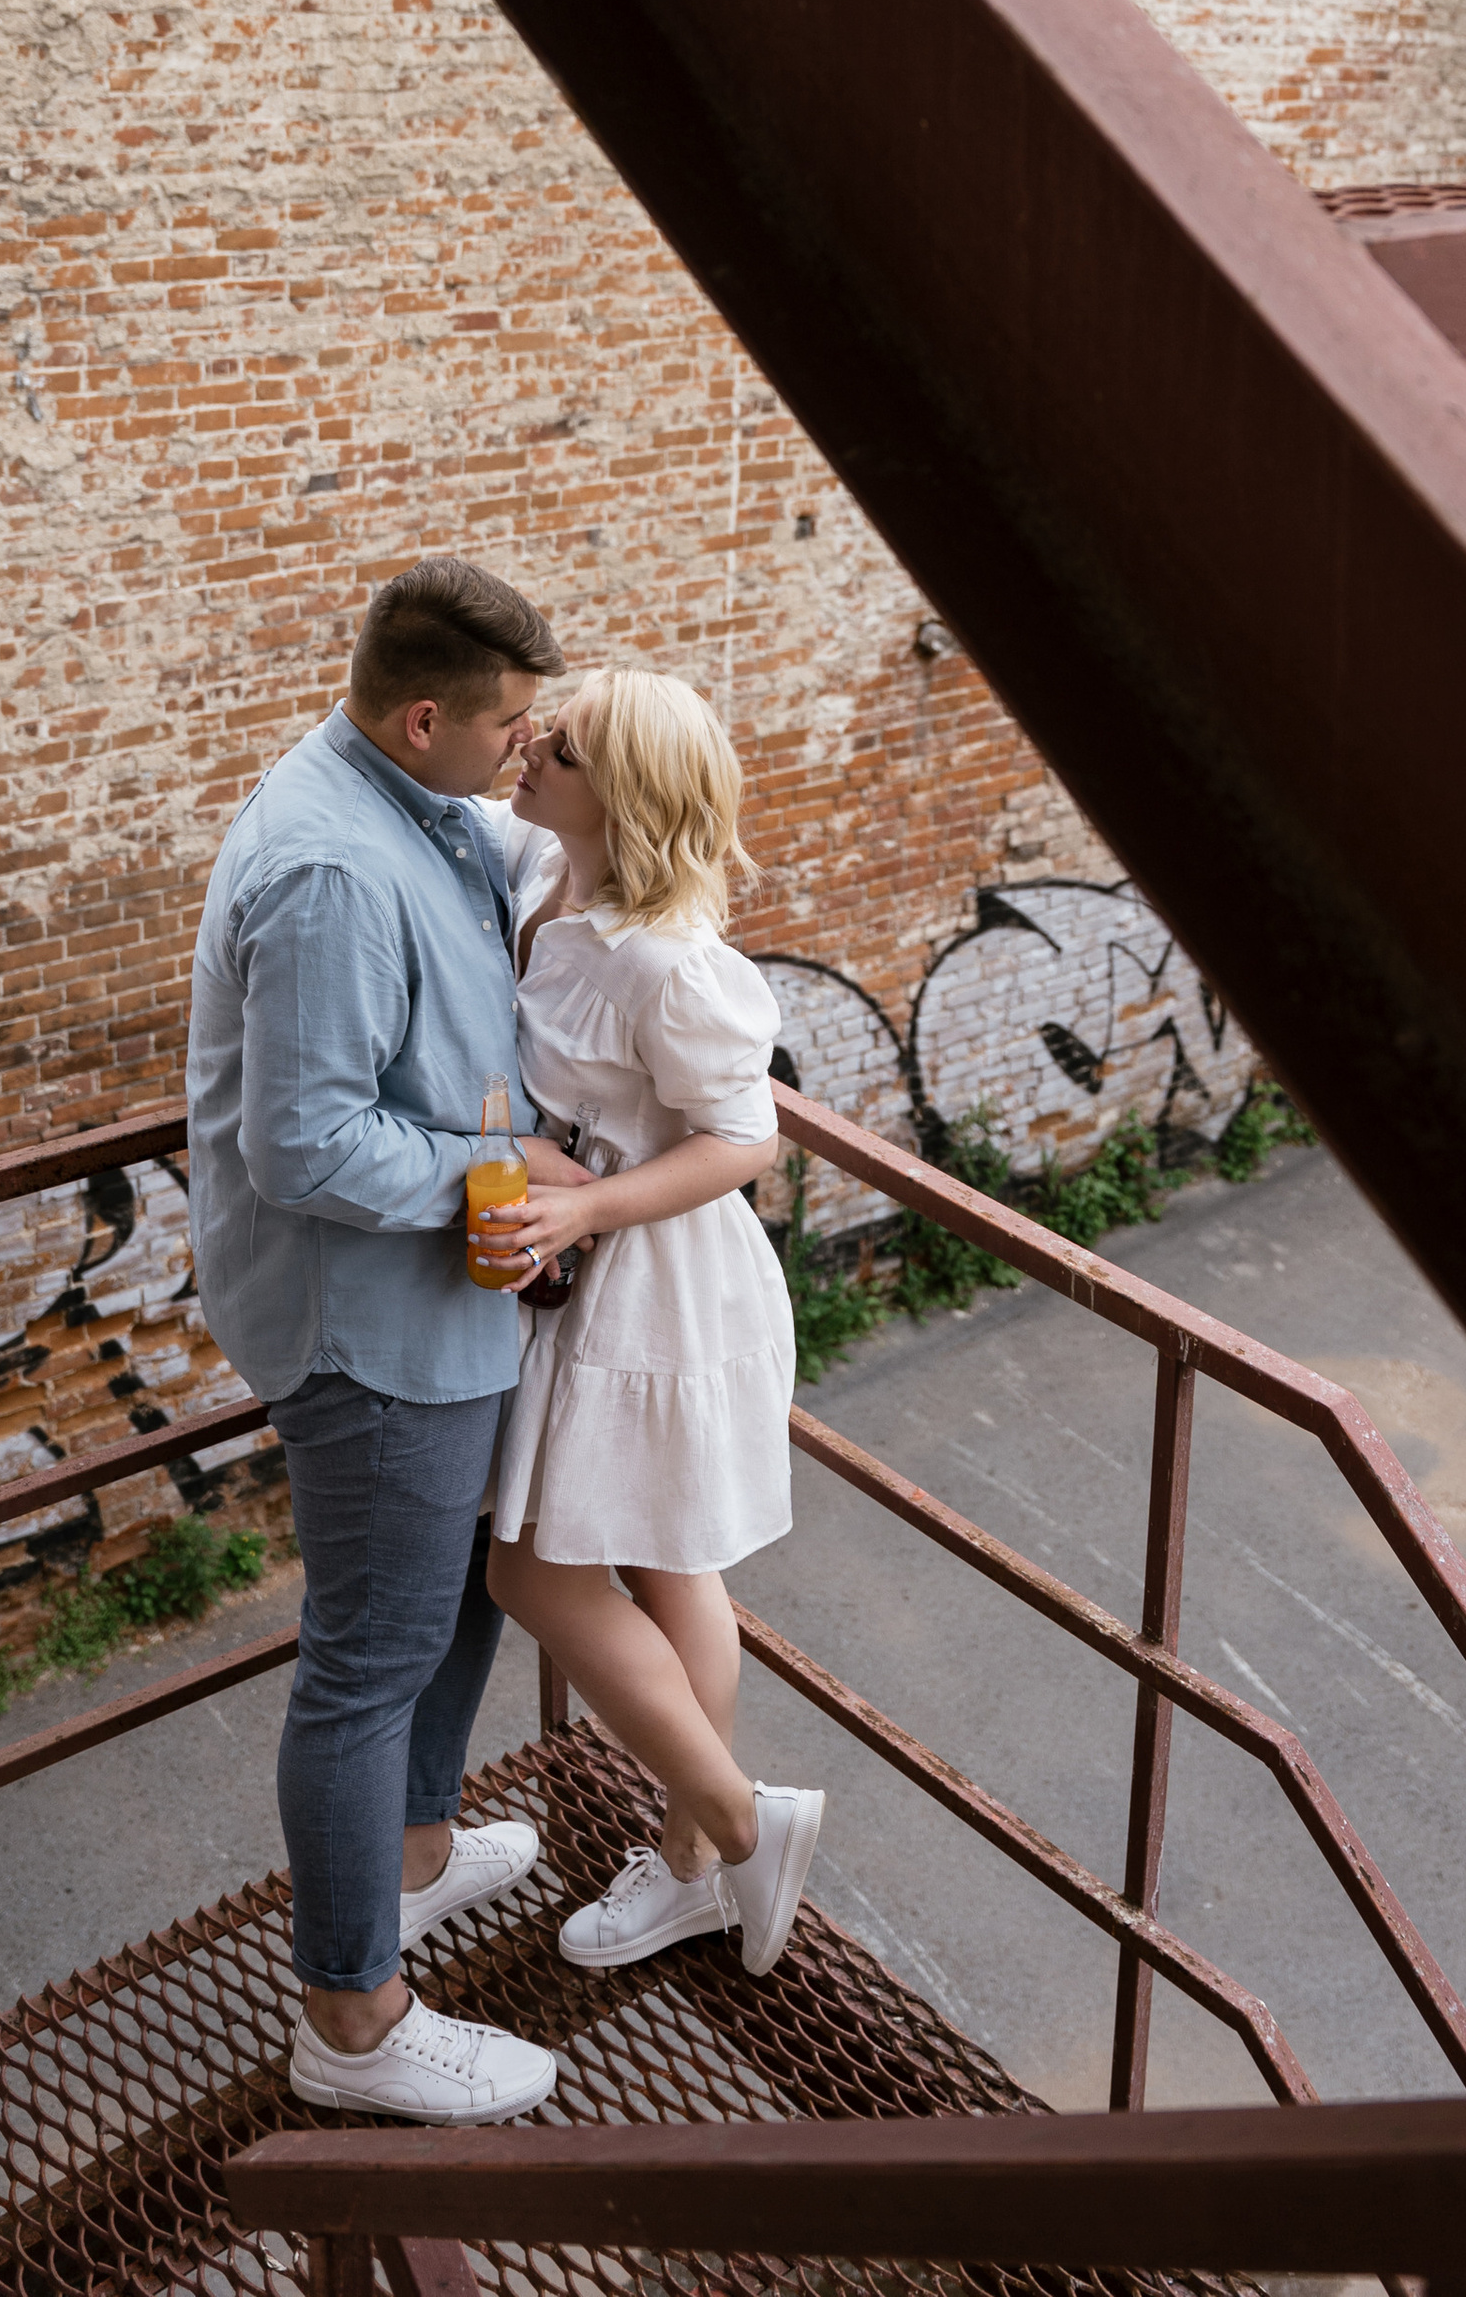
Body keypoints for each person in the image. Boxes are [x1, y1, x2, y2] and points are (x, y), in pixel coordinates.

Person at [188, 554, 590, 2123]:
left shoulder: (417, 797)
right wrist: (513, 1168)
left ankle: (416, 1853)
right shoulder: (335, 872)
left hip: (441, 1299)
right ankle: (352, 2021)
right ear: (424, 719)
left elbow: (538, 838)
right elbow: (306, 1148)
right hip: (366, 1334)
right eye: (508, 729)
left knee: (461, 1594)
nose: (522, 751)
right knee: (366, 1661)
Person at [482, 665, 822, 1977]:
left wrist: (585, 1205)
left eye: (561, 747)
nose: (531, 747)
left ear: (618, 799)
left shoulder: (669, 963)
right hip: (595, 1268)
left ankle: (735, 1822)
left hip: (658, 1287)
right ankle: (691, 1867)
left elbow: (747, 1140)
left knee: (531, 1571)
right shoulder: (545, 868)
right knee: (675, 1570)